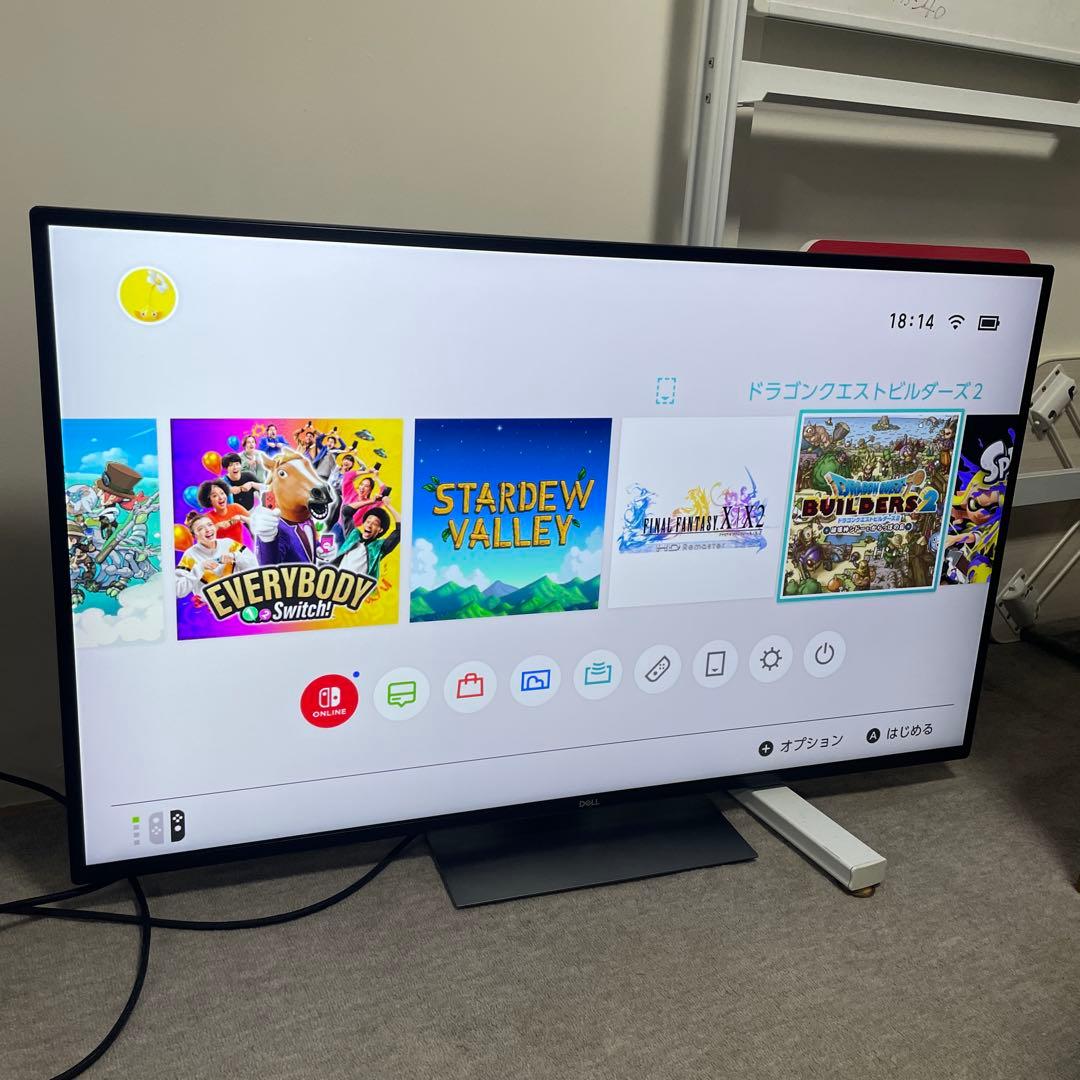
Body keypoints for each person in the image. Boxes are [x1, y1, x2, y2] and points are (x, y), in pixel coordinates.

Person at [175, 512, 256, 603]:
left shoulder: (229, 544)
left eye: (210, 525)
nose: (208, 529)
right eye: (200, 529)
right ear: (194, 536)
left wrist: (235, 556)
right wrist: (199, 568)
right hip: (212, 608)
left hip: (241, 601)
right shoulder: (190, 555)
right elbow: (178, 591)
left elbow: (254, 568)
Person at [335, 503, 399, 583]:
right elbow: (346, 511)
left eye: (375, 524)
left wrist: (388, 505)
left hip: (359, 588)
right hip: (338, 583)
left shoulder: (380, 547)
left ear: (380, 530)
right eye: (368, 521)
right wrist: (372, 501)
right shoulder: (353, 535)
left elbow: (400, 530)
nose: (369, 525)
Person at [197, 478, 249, 545]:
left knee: (245, 551)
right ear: (209, 501)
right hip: (219, 550)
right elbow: (201, 539)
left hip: (239, 548)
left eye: (222, 493)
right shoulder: (207, 518)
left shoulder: (236, 507)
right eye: (215, 496)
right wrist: (217, 526)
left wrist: (241, 517)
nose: (221, 497)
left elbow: (254, 521)